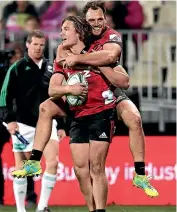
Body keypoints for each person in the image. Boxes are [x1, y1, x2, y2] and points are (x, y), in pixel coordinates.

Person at [12, 16, 129, 212]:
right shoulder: (62, 54)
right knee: (80, 170)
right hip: (78, 114)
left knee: (97, 168)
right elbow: (53, 89)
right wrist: (69, 89)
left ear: (79, 32)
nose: (61, 33)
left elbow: (124, 80)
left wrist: (98, 67)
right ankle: (34, 161)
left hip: (100, 112)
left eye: (66, 29)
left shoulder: (99, 52)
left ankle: (100, 210)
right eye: (61, 29)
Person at [57, 0, 158, 198]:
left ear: (106, 18)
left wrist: (80, 59)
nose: (96, 23)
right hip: (82, 92)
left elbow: (111, 57)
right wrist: (93, 60)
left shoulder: (111, 35)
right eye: (91, 20)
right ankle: (35, 156)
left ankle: (140, 174)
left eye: (100, 19)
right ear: (84, 22)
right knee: (46, 106)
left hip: (109, 90)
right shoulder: (77, 36)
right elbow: (62, 56)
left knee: (134, 119)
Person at [0, 30, 59, 212]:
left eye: (42, 45)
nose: (38, 48)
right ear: (28, 44)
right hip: (23, 123)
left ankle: (42, 207)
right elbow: (4, 96)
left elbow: (59, 96)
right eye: (35, 44)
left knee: (53, 162)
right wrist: (8, 119)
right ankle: (20, 209)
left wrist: (62, 124)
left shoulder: (51, 68)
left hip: (48, 122)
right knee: (22, 168)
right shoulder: (17, 68)